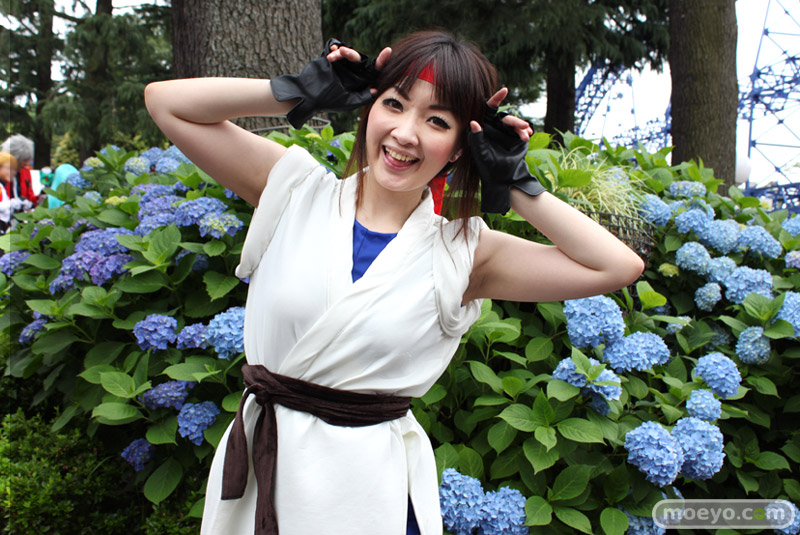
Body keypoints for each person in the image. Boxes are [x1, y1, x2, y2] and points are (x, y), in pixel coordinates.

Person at [145, 30, 644, 535]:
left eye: (437, 121)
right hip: (263, 471)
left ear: (460, 147)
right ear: (368, 107)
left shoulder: (464, 251)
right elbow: (166, 103)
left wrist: (514, 183)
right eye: (394, 103)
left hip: (367, 499)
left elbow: (616, 267)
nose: (405, 133)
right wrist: (297, 89)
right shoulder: (296, 190)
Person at [1, 135, 38, 205]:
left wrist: (38, 199)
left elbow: (30, 196)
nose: (26, 163)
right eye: (24, 160)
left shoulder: (25, 172)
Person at [0, 152, 19, 234]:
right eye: (8, 168)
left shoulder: (2, 186)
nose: (12, 172)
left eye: (14, 169)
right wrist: (10, 203)